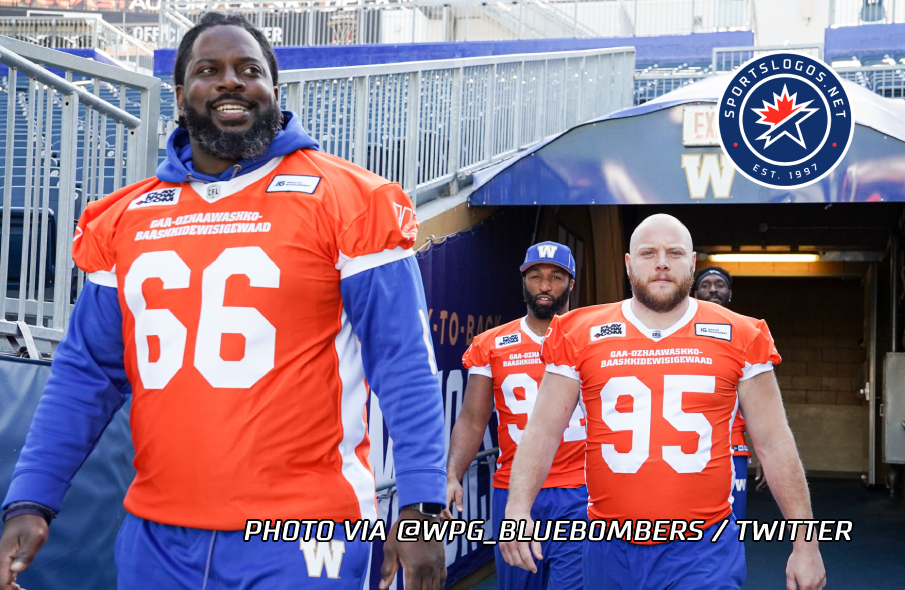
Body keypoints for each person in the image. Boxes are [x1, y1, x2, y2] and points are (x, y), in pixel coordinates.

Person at [0, 12, 447, 590]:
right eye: (209, 70)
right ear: (182, 96)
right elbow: (86, 373)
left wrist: (423, 510)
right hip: (158, 536)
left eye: (249, 70)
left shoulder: (349, 199)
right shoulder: (126, 218)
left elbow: (405, 365)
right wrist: (32, 498)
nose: (231, 81)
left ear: (275, 92)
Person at [500, 214, 826, 590]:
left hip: (703, 547)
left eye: (674, 252)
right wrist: (518, 508)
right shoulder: (578, 332)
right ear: (627, 263)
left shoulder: (742, 333)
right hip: (607, 545)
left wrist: (806, 544)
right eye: (648, 253)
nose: (661, 262)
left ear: (692, 262)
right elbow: (542, 430)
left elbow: (774, 442)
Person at [446, 242, 587, 590]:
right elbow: (472, 419)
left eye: (556, 277)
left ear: (571, 283)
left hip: (582, 491)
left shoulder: (592, 339)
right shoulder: (490, 343)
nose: (544, 286)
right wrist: (452, 474)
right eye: (536, 276)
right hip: (515, 490)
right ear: (523, 281)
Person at [693, 266, 754, 517]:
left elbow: (756, 406)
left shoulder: (746, 334)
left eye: (720, 284)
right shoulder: (676, 333)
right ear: (694, 292)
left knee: (732, 523)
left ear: (730, 292)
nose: (713, 289)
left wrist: (762, 453)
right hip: (686, 447)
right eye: (706, 285)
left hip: (732, 447)